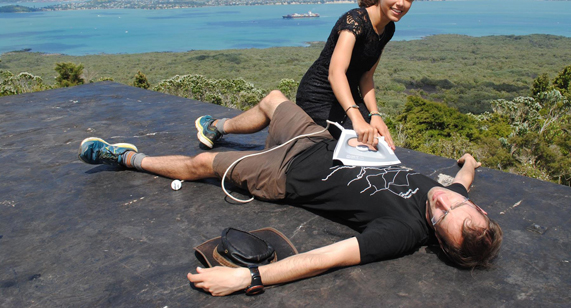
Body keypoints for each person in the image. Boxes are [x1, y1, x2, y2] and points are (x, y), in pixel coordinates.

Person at [79, 90, 502, 297]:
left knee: (202, 166)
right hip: (322, 140)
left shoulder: (402, 232)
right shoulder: (450, 197)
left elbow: (325, 258)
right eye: (457, 205)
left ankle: (125, 158)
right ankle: (217, 126)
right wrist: (469, 163)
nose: (443, 202)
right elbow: (460, 183)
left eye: (442, 215)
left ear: (436, 234)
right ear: (473, 207)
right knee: (273, 99)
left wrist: (246, 277)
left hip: (284, 172)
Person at [193, 0, 419, 152]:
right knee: (347, 144)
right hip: (319, 95)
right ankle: (217, 125)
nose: (400, 3)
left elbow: (366, 76)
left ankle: (267, 119)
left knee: (376, 142)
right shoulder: (355, 21)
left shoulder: (387, 29)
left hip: (347, 98)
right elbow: (335, 72)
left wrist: (375, 115)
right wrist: (358, 118)